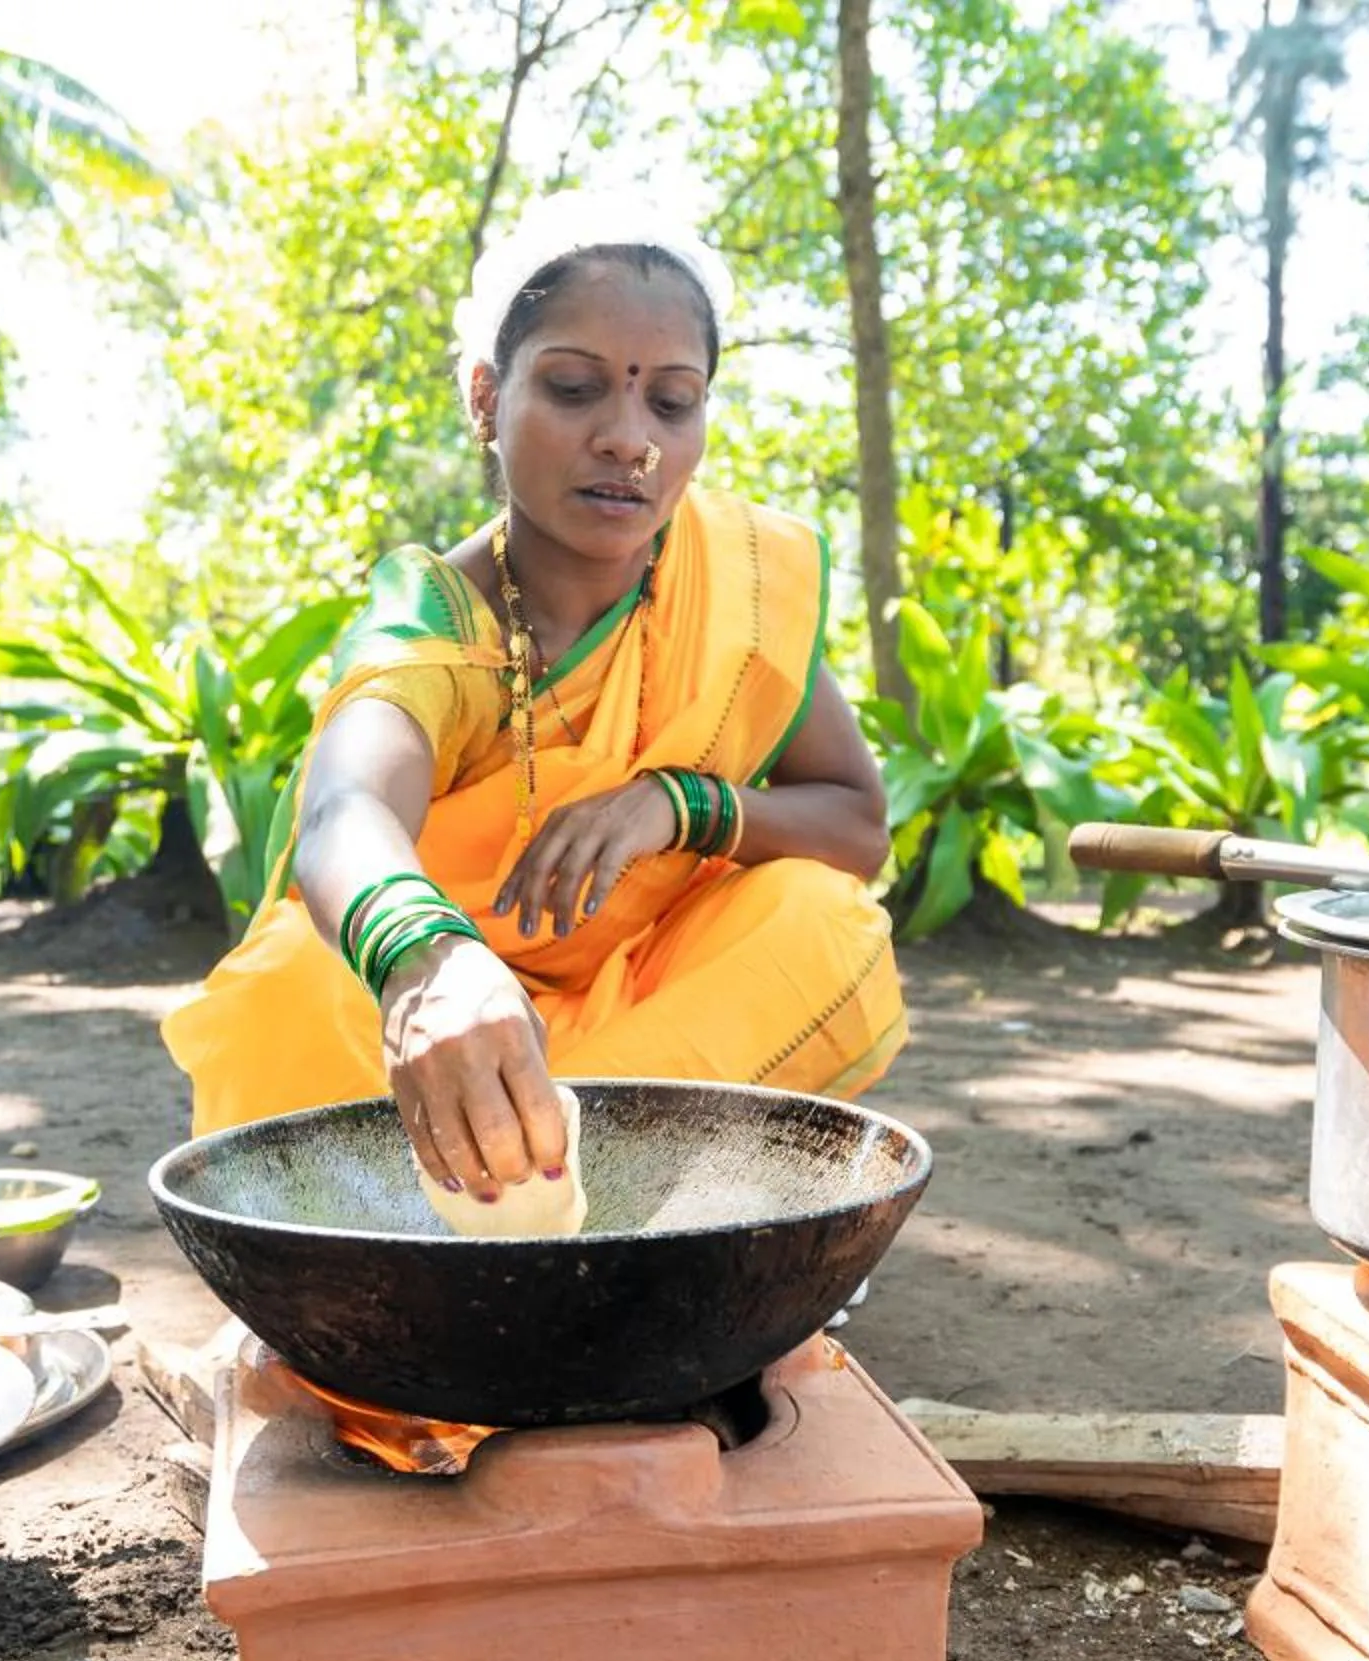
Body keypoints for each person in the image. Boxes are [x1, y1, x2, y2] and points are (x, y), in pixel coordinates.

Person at [162, 191, 905, 1202]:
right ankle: (568, 1196)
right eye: (572, 388)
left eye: (671, 403)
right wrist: (426, 962)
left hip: (645, 1025)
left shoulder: (738, 582)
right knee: (286, 987)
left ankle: (574, 1188)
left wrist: (678, 804)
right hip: (426, 1036)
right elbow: (348, 808)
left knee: (821, 916)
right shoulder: (437, 614)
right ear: (483, 398)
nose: (628, 439)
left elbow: (857, 828)